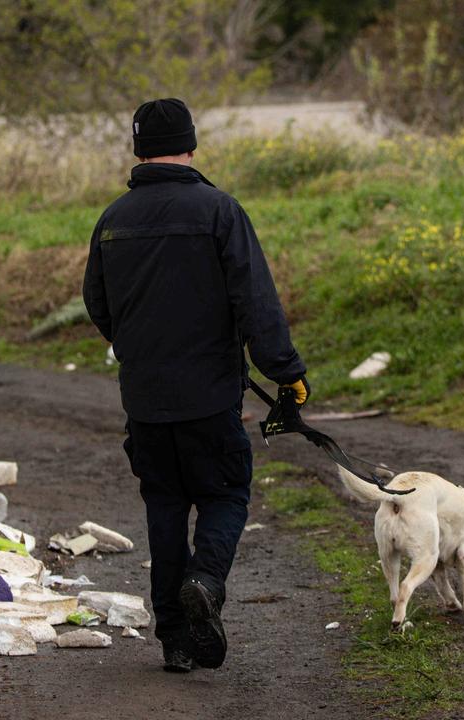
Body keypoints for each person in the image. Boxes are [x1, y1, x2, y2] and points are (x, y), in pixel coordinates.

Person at [82, 98, 309, 673]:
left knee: (164, 506)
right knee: (226, 494)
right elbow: (255, 302)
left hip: (146, 400)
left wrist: (138, 348)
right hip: (209, 395)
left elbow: (98, 305)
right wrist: (286, 373)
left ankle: (176, 641)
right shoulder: (219, 211)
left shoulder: (112, 220)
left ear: (138, 149)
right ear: (192, 143)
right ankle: (205, 581)